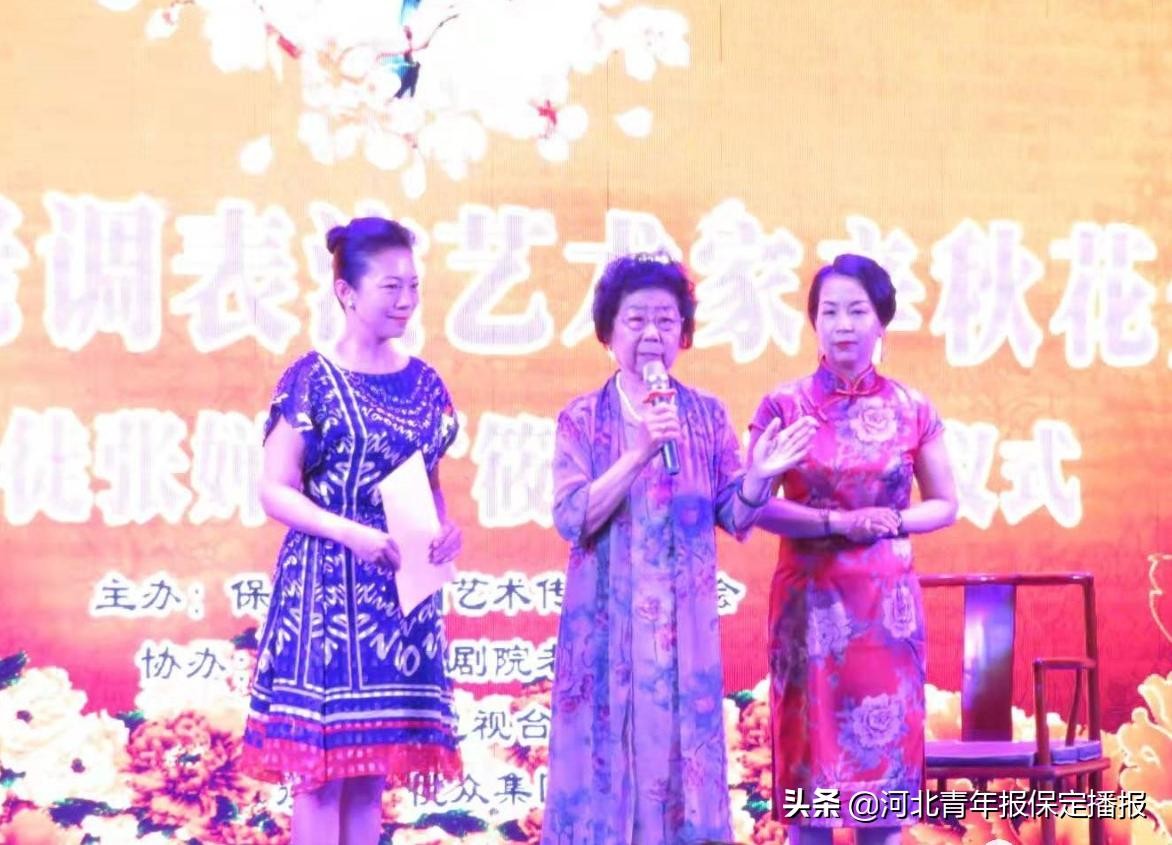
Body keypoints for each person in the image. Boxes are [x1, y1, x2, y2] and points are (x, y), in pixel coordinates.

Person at [540, 253, 818, 845]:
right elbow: (572, 518)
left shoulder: (705, 415)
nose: (651, 334)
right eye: (636, 319)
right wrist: (640, 449)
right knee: (604, 772)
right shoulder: (581, 418)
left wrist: (760, 477)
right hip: (605, 634)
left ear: (683, 334)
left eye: (666, 321)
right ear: (608, 331)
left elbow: (735, 515)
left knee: (678, 776)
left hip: (682, 639)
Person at [240, 217, 463, 845]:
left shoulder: (425, 383)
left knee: (370, 774)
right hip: (325, 596)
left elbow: (429, 482)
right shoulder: (312, 378)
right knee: (322, 776)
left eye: (413, 286)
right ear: (346, 293)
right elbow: (275, 489)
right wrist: (350, 534)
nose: (405, 300)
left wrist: (445, 530)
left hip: (401, 597)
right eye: (390, 287)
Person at [748, 254, 958, 845]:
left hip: (886, 615)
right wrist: (837, 521)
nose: (843, 325)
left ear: (881, 321)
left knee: (882, 799)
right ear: (814, 321)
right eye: (830, 312)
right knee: (809, 792)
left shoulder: (912, 407)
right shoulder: (783, 406)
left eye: (857, 311)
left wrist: (890, 520)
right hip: (809, 610)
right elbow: (753, 504)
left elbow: (945, 504)